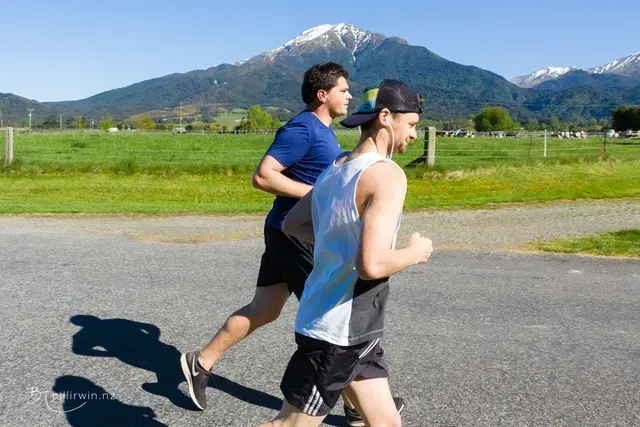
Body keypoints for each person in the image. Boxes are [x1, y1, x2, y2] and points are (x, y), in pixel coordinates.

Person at [180, 63, 403, 425]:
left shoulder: (324, 132)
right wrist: (325, 198)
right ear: (323, 94)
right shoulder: (304, 129)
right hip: (293, 233)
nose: (349, 95)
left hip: (284, 230)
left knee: (265, 308)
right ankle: (356, 402)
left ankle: (199, 362)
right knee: (335, 319)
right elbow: (263, 175)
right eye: (343, 90)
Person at [259, 79, 434, 427]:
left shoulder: (337, 166)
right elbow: (372, 265)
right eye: (411, 125)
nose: (413, 135)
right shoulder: (385, 175)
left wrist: (339, 245)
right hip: (337, 332)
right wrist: (416, 252)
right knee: (287, 425)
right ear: (386, 117)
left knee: (385, 421)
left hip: (355, 325)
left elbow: (293, 224)